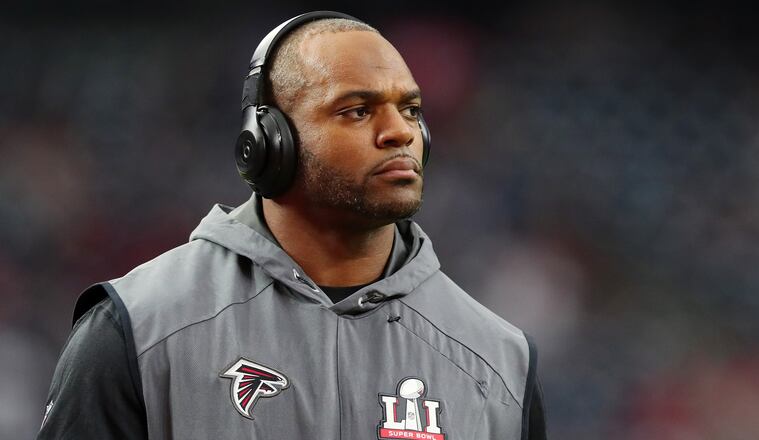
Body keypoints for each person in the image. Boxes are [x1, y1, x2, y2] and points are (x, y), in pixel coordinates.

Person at [38, 11, 547, 439]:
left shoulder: (499, 360)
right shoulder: (138, 328)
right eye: (357, 110)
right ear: (269, 142)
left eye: (410, 110)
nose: (399, 132)